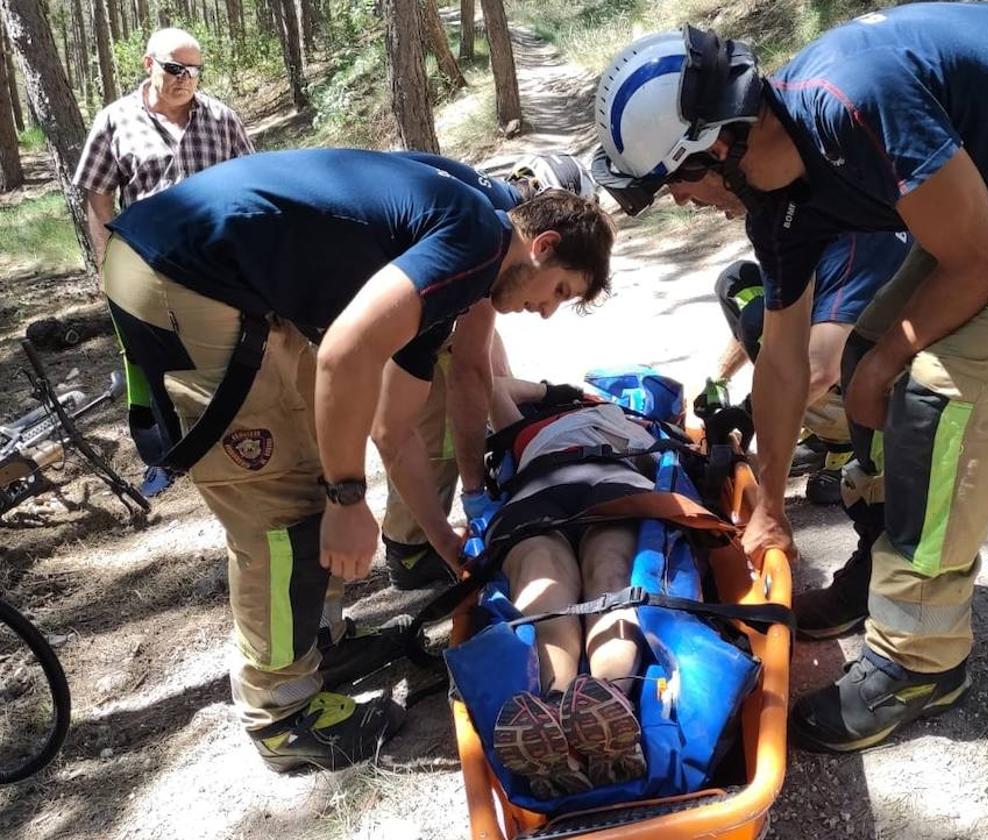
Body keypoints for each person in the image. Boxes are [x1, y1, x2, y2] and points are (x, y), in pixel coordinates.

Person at [592, 5, 988, 751]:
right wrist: (769, 502)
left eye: (674, 185)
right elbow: (784, 361)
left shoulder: (853, 103)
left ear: (715, 148)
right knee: (857, 362)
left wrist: (888, 364)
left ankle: (920, 661)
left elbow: (985, 263)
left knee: (946, 391)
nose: (682, 202)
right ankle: (883, 569)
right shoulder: (778, 200)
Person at [100, 149, 616, 771]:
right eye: (558, 290)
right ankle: (282, 714)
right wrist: (348, 498)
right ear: (544, 244)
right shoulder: (478, 238)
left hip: (215, 274)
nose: (546, 310)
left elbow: (391, 429)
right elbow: (345, 353)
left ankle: (321, 639)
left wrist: (440, 539)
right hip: (178, 271)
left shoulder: (462, 268)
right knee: (282, 504)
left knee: (319, 452)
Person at [378, 151, 599, 590]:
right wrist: (476, 493)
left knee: (458, 391)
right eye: (558, 288)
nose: (546, 309)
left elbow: (489, 366)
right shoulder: (488, 241)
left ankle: (413, 539)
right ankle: (412, 547)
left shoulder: (493, 205)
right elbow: (471, 373)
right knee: (440, 420)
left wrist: (543, 400)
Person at [73, 26, 254, 497]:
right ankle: (170, 454)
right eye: (175, 68)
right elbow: (97, 192)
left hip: (216, 261)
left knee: (228, 352)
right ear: (148, 64)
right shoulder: (115, 120)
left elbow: (251, 183)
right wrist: (107, 264)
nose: (185, 78)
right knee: (152, 359)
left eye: (194, 70)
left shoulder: (221, 119)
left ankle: (234, 439)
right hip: (145, 263)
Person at [483, 377, 653, 799]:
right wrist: (549, 391)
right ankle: (597, 703)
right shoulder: (530, 427)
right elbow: (494, 385)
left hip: (561, 488)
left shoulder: (631, 416)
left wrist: (568, 398)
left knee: (588, 575)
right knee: (585, 576)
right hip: (591, 482)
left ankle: (567, 705)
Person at [696, 229, 910, 505]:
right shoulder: (795, 216)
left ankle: (853, 443)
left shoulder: (852, 239)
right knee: (738, 285)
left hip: (886, 376)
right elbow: (778, 311)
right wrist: (718, 379)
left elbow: (820, 369)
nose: (679, 198)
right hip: (852, 343)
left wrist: (752, 414)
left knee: (766, 328)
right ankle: (823, 429)